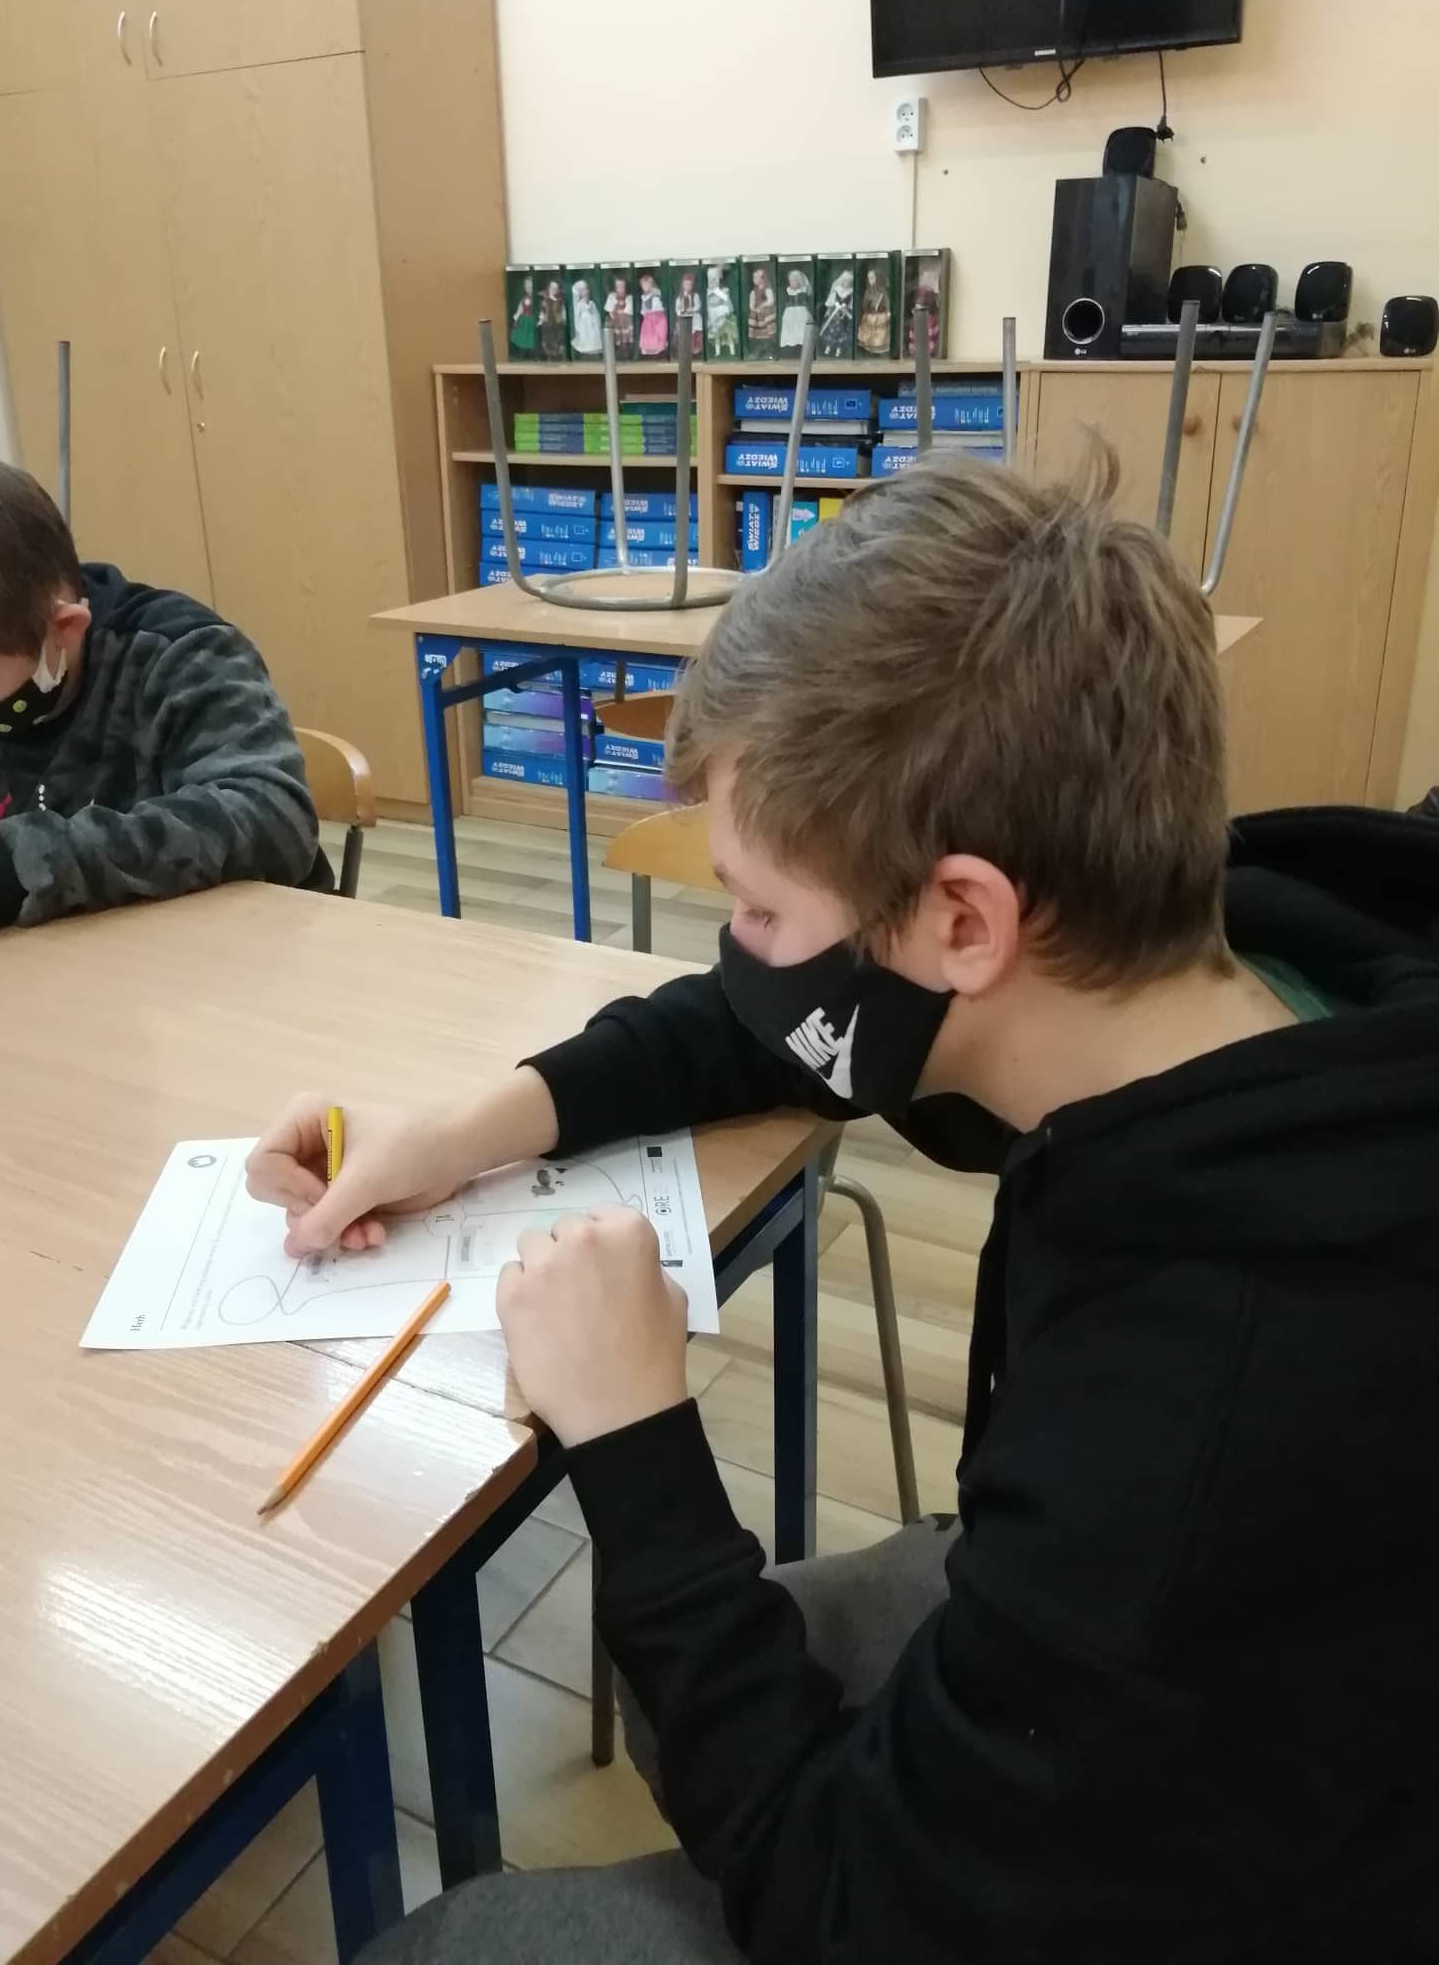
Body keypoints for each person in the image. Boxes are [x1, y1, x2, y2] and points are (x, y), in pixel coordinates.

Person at [249, 454, 1439, 1963]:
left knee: (462, 1945)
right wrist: (464, 1130)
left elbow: (853, 1910)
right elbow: (781, 1018)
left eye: (757, 905)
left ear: (962, 919)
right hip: (1206, 1670)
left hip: (1254, 1859)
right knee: (746, 1657)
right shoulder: (1217, 958)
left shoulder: (1208, 1406)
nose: (740, 948)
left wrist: (635, 1438)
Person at [0, 447, 329, 949]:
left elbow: (273, 819)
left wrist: (4, 873)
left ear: (63, 629)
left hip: (210, 964)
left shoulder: (177, 657)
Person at [570, 279, 603, 358]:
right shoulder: (579, 304)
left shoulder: (592, 303)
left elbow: (596, 314)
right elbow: (577, 316)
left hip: (592, 326)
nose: (586, 292)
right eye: (583, 290)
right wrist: (578, 327)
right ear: (580, 293)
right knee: (585, 338)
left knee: (593, 338)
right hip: (584, 326)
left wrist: (597, 324)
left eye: (586, 289)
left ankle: (595, 352)